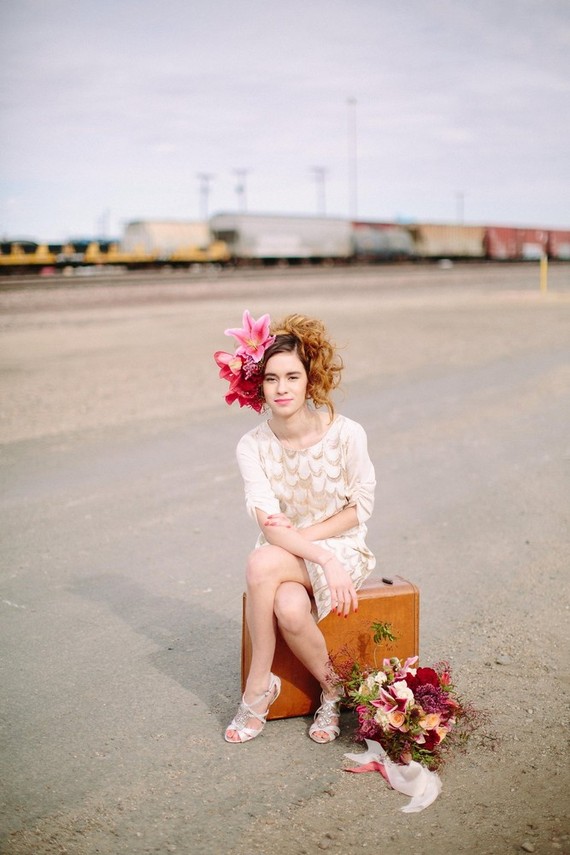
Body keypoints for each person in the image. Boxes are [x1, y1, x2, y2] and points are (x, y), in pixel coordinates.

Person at [214, 311, 376, 744]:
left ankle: (258, 686)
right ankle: (334, 690)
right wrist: (311, 553)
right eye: (271, 378)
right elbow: (269, 525)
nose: (281, 388)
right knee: (287, 607)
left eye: (292, 377)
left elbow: (359, 510)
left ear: (310, 381)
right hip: (292, 553)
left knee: (261, 562)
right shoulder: (252, 446)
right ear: (259, 384)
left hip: (340, 547)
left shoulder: (347, 434)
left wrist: (313, 547)